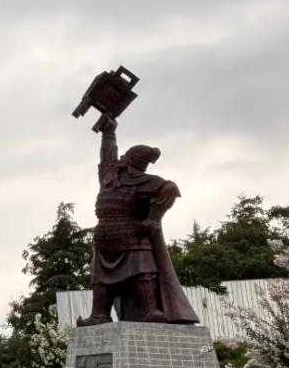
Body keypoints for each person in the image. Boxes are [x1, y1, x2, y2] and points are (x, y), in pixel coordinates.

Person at [77, 118, 200, 326]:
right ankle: (99, 314)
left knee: (144, 272)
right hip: (105, 238)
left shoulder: (144, 182)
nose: (121, 158)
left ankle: (149, 311)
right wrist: (108, 133)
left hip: (132, 235)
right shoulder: (109, 177)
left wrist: (153, 216)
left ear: (131, 160)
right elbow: (108, 154)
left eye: (125, 156)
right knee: (101, 279)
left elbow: (170, 188)